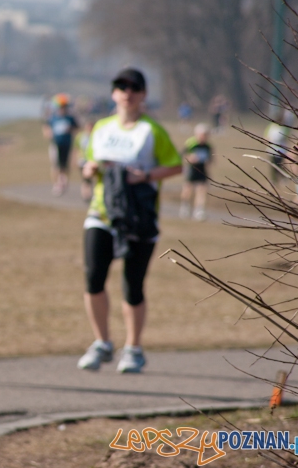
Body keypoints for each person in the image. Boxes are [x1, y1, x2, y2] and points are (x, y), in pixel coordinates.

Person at [77, 68, 182, 373]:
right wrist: (89, 169)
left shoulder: (152, 131)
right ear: (113, 93)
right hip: (101, 213)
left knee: (132, 285)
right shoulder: (102, 128)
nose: (127, 92)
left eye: (134, 87)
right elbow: (88, 162)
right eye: (121, 86)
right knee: (94, 278)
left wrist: (145, 175)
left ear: (143, 94)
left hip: (138, 218)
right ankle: (102, 343)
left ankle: (133, 348)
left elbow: (175, 166)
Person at [42, 93, 79, 196]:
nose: (62, 108)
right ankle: (56, 184)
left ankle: (64, 182)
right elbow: (46, 128)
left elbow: (77, 128)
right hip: (55, 144)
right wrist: (49, 133)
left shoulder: (70, 117)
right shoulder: (52, 117)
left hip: (67, 144)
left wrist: (70, 129)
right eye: (60, 106)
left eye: (64, 106)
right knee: (56, 165)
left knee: (65, 166)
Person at [179, 123, 213, 221]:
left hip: (202, 169)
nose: (204, 137)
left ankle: (199, 210)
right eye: (203, 134)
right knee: (188, 189)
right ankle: (185, 207)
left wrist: (208, 161)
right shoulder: (191, 143)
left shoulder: (207, 146)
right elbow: (182, 155)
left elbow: (211, 159)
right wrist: (190, 158)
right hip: (191, 169)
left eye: (206, 135)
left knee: (202, 189)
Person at [75, 119, 95, 203]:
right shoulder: (80, 136)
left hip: (91, 161)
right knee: (85, 179)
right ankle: (85, 195)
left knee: (91, 179)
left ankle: (90, 194)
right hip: (82, 161)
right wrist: (75, 159)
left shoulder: (95, 136)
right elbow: (76, 148)